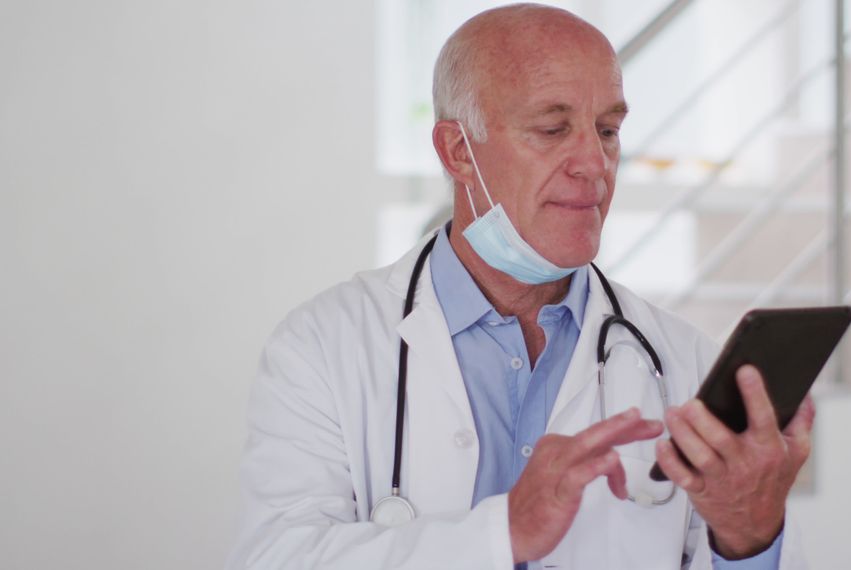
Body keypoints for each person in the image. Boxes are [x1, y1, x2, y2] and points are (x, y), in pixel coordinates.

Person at [227, 4, 813, 569]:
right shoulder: (323, 347)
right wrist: (503, 533)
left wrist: (751, 539)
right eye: (553, 128)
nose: (595, 163)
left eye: (607, 130)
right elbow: (276, 558)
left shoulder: (680, 362)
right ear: (458, 151)